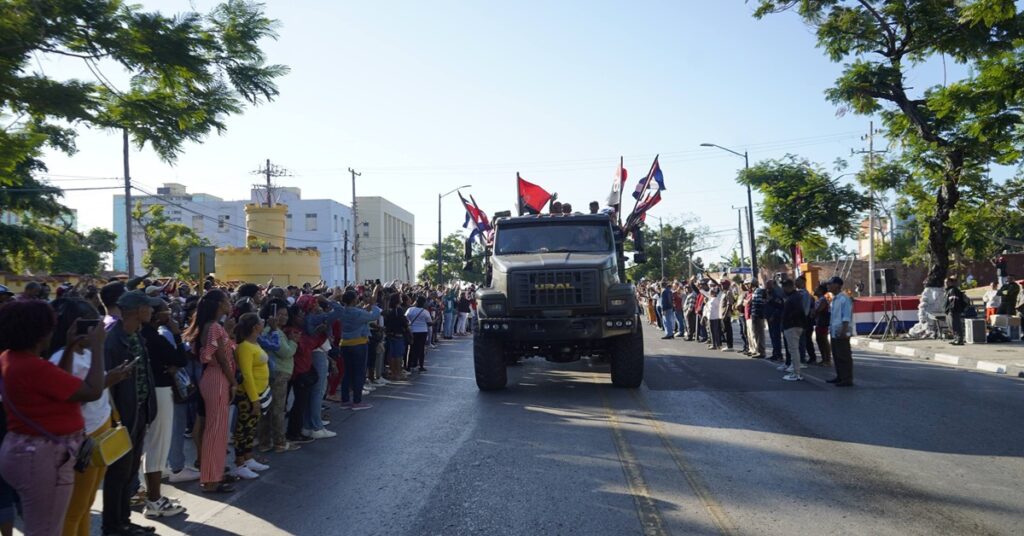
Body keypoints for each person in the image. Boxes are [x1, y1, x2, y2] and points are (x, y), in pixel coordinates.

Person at [0, 300, 109, 536]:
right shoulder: (33, 368)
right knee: (47, 529)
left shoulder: (11, 358)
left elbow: (60, 382)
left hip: (25, 452)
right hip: (42, 459)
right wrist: (98, 347)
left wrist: (69, 348)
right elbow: (92, 390)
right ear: (40, 333)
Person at [102, 290, 160, 535]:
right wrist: (115, 420)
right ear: (137, 311)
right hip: (123, 417)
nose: (152, 311)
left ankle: (124, 521)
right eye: (149, 307)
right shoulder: (113, 340)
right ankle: (113, 526)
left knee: (128, 473)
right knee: (118, 474)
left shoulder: (135, 335)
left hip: (138, 412)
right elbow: (108, 384)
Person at [183, 290, 238, 494]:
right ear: (218, 305)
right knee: (215, 432)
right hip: (217, 379)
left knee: (217, 430)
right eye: (226, 301)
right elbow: (220, 358)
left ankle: (214, 474)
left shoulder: (213, 326)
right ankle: (211, 479)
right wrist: (233, 382)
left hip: (214, 378)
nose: (229, 304)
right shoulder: (214, 327)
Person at [137, 301, 187, 518]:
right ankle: (154, 500)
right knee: (157, 445)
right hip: (159, 390)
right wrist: (177, 335)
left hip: (147, 391)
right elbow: (180, 359)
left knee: (149, 444)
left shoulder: (139, 335)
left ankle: (148, 493)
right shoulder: (154, 337)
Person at [257, 301, 300, 454]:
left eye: (286, 315)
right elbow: (285, 352)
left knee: (267, 409)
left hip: (271, 373)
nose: (284, 317)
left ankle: (264, 442)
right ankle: (279, 442)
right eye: (280, 314)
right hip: (279, 373)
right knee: (277, 409)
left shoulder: (271, 331)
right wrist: (293, 342)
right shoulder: (273, 331)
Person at [232, 313, 271, 479]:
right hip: (249, 395)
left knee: (251, 428)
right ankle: (239, 462)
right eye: (261, 322)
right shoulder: (245, 347)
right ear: (255, 327)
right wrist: (254, 399)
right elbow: (246, 374)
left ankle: (248, 458)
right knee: (244, 429)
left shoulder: (254, 343)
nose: (263, 323)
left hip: (260, 392)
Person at [339, 290, 383, 411]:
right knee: (359, 372)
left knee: (347, 372)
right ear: (354, 300)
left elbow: (359, 311)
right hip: (359, 343)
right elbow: (374, 315)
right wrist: (374, 305)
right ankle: (357, 401)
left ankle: (345, 400)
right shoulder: (358, 313)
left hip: (344, 343)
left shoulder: (342, 311)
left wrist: (365, 307)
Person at [827, 277, 854, 387]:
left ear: (837, 285)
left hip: (842, 330)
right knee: (837, 355)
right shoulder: (834, 298)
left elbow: (846, 316)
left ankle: (847, 378)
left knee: (844, 355)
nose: (829, 286)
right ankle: (840, 376)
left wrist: (844, 330)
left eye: (831, 284)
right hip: (834, 331)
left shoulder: (844, 298)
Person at [780, 279, 805, 381]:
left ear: (789, 287)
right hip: (793, 325)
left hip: (792, 326)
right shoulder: (793, 297)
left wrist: (789, 319)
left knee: (794, 350)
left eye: (784, 287)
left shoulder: (794, 297)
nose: (783, 289)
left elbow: (798, 311)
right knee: (793, 349)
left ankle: (796, 373)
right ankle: (795, 371)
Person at [383, 293, 410, 381]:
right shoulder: (399, 310)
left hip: (390, 334)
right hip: (398, 334)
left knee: (391, 355)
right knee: (398, 355)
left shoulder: (389, 310)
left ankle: (393, 372)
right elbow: (403, 322)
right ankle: (398, 373)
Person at [406, 296, 432, 370]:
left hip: (413, 331)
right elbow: (429, 323)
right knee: (421, 348)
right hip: (423, 331)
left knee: (411, 348)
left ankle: (408, 366)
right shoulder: (425, 312)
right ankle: (421, 366)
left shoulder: (410, 310)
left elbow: (405, 318)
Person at [944, 276, 968, 346]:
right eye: (945, 282)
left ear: (951, 282)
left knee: (956, 325)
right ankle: (956, 339)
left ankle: (959, 340)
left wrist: (951, 309)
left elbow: (954, 301)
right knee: (951, 326)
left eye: (947, 282)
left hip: (953, 311)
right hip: (949, 310)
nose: (945, 284)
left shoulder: (953, 290)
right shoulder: (948, 290)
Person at [812, 285, 832, 366]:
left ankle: (827, 360)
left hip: (823, 323)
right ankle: (824, 358)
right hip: (819, 322)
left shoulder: (823, 300)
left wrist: (813, 312)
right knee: (819, 340)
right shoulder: (818, 300)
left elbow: (819, 310)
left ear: (820, 291)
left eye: (816, 289)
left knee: (823, 340)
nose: (814, 290)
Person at [748, 280, 767, 359]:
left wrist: (759, 315)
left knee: (759, 334)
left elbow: (760, 304)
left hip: (758, 316)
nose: (748, 285)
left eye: (749, 283)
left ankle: (761, 352)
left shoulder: (758, 291)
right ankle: (757, 350)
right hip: (755, 315)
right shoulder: (755, 291)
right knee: (756, 334)